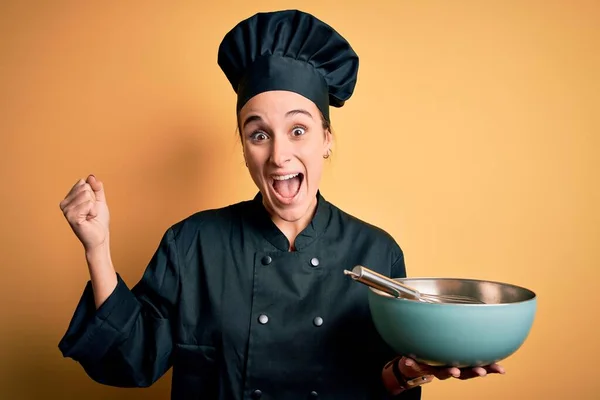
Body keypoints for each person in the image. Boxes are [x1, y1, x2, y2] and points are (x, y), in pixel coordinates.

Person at [57, 9, 504, 400]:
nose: (279, 155)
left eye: (298, 130)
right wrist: (97, 248)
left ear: (326, 139)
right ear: (245, 148)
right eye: (258, 134)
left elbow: (381, 382)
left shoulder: (376, 252)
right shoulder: (192, 243)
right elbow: (131, 362)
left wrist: (410, 372)